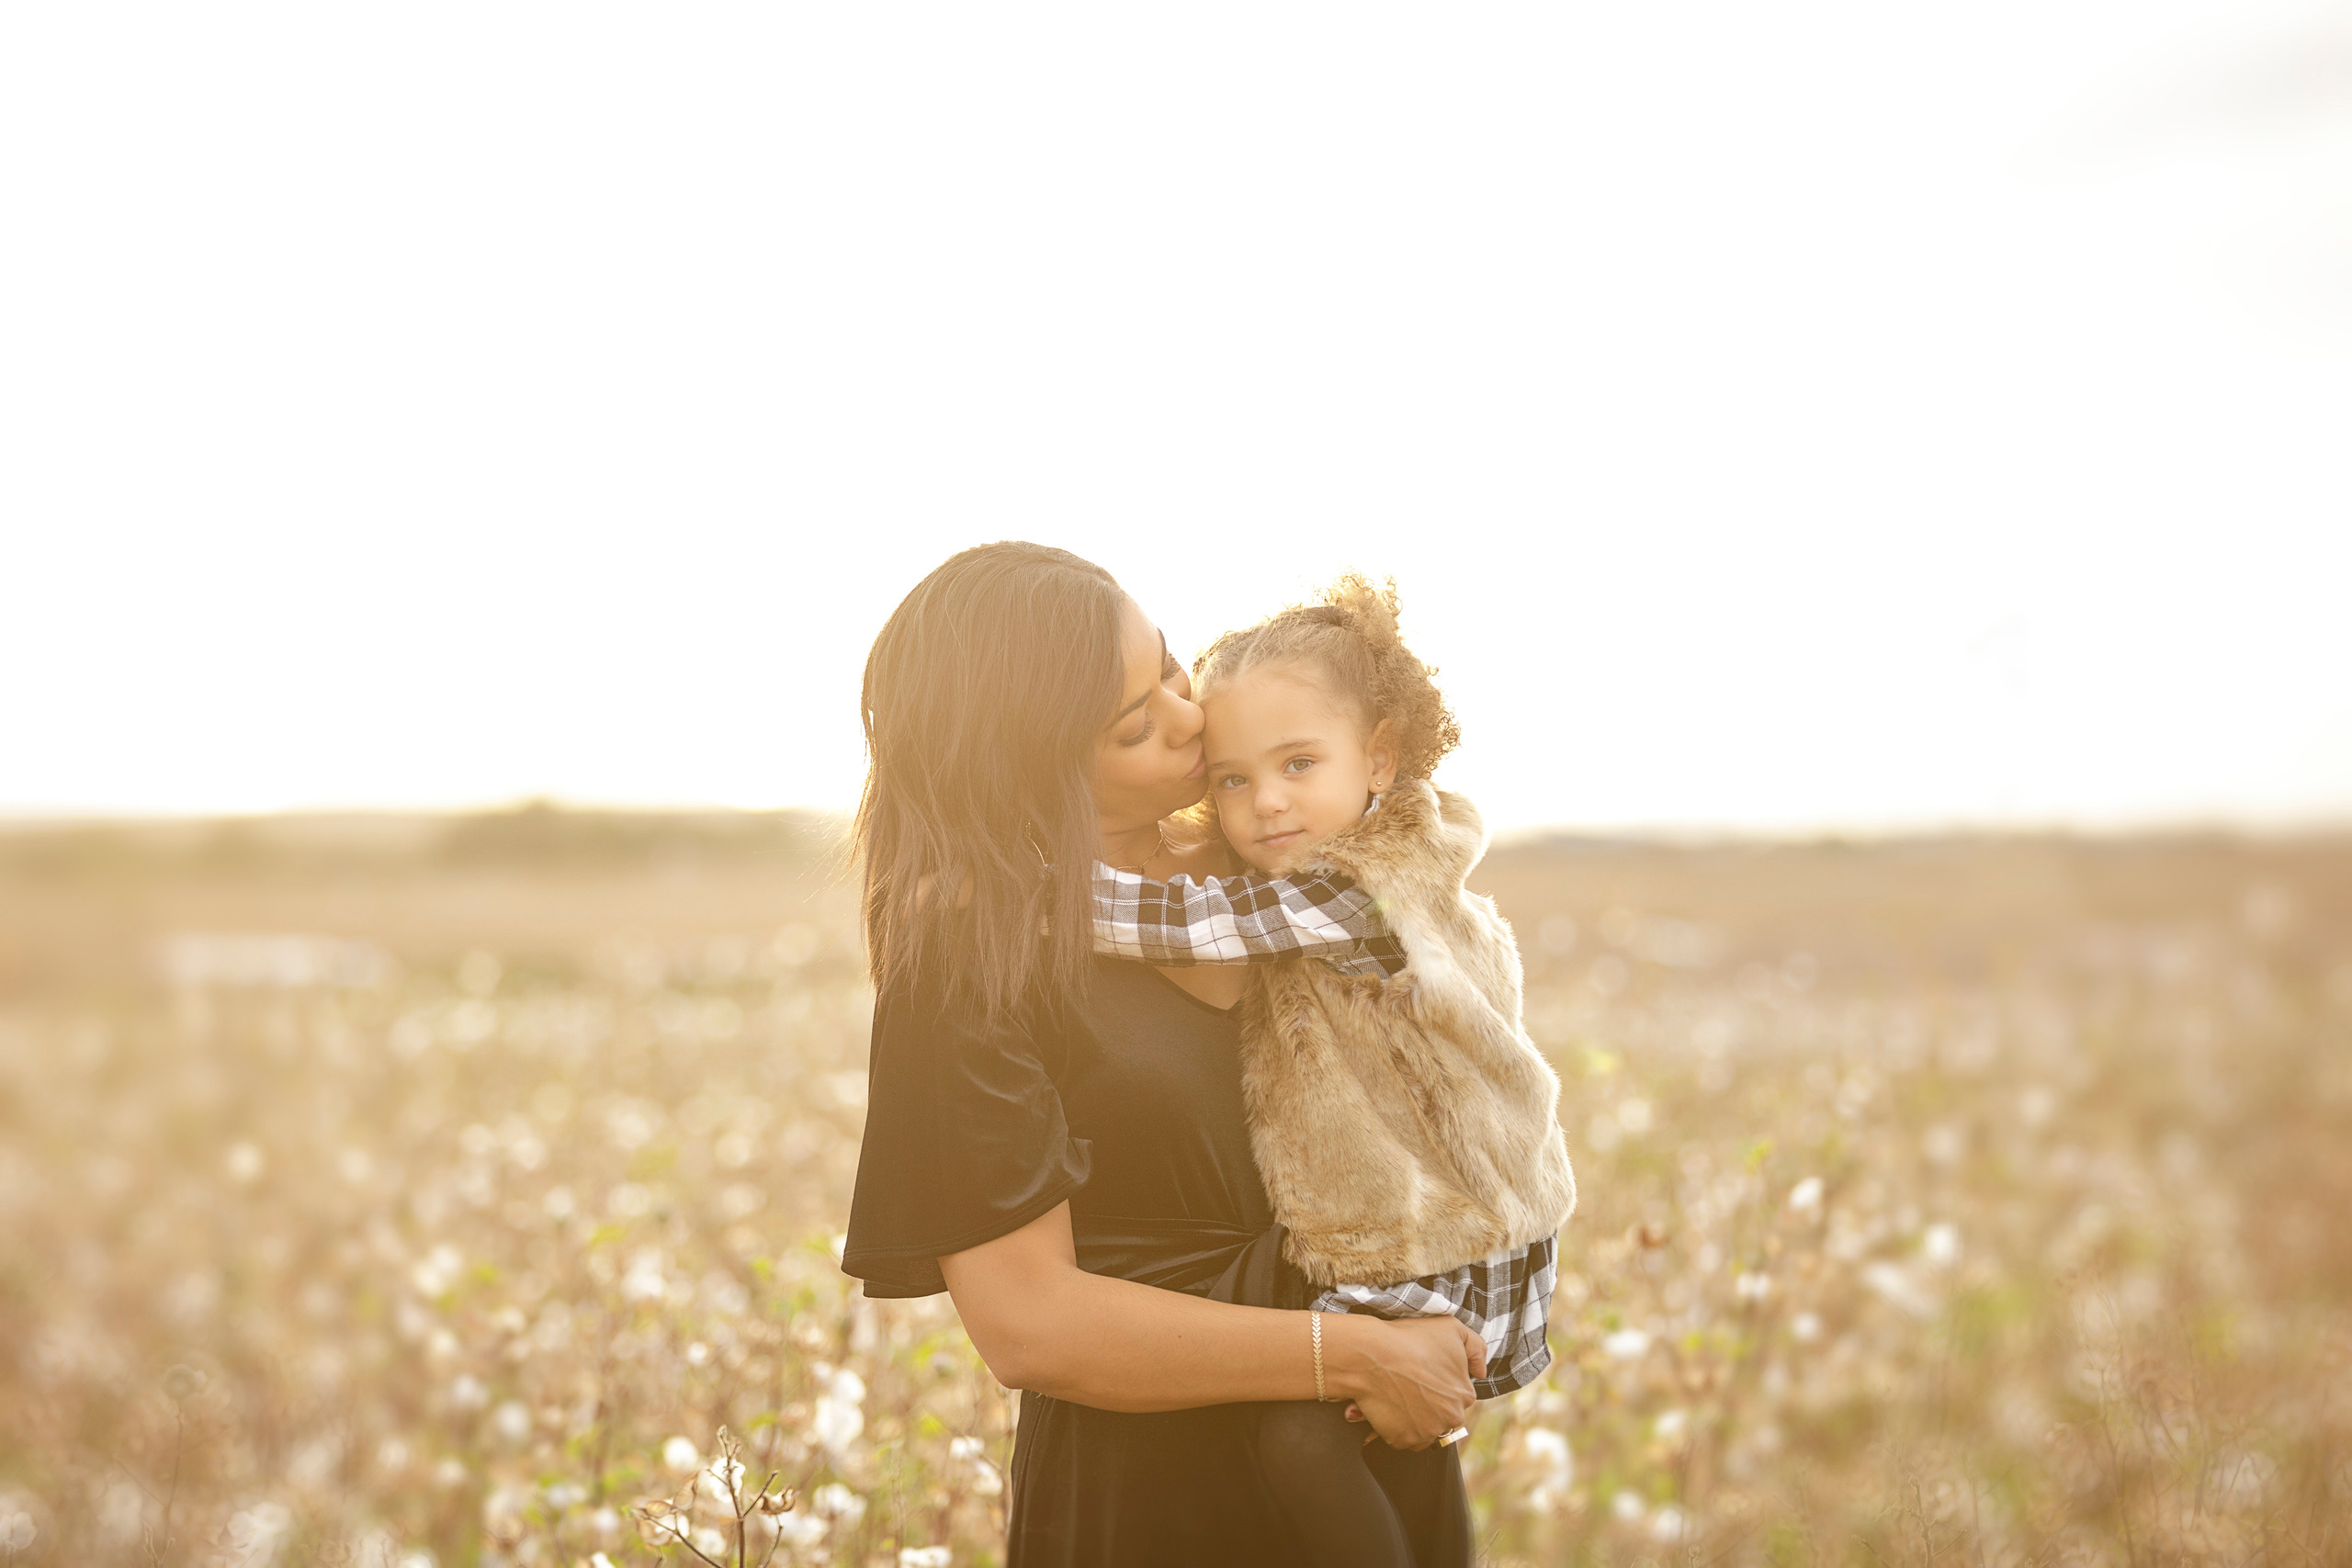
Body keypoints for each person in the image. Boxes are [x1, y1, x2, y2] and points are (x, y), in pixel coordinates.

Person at [841, 542, 1486, 1567]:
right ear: (1030, 768)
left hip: (1367, 1430)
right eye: (1137, 725)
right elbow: (1028, 1327)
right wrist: (1354, 1353)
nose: (1192, 718)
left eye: (1171, 667)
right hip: (1158, 1484)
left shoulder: (1269, 851)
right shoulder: (966, 961)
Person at [1098, 575, 1575, 1567]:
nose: (1265, 802)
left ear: (1381, 760)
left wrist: (1013, 887)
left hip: (1451, 1246)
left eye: (1297, 764)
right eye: (1230, 779)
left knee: (1300, 1438)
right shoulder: (1350, 857)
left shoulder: (1360, 882)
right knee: (1314, 1440)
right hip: (1445, 1229)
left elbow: (1188, 924)